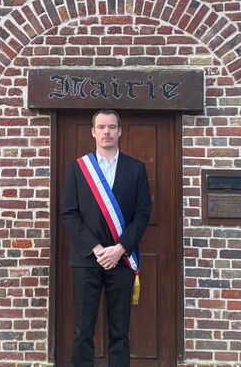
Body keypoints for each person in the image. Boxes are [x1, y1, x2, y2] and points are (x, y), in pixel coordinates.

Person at [61, 110, 152, 367]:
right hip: (87, 259)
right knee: (82, 331)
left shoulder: (136, 168)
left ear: (120, 131)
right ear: (93, 132)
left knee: (120, 332)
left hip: (121, 261)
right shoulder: (79, 168)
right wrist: (97, 248)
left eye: (112, 127)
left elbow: (143, 213)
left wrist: (120, 249)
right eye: (101, 127)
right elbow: (69, 213)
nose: (107, 132)